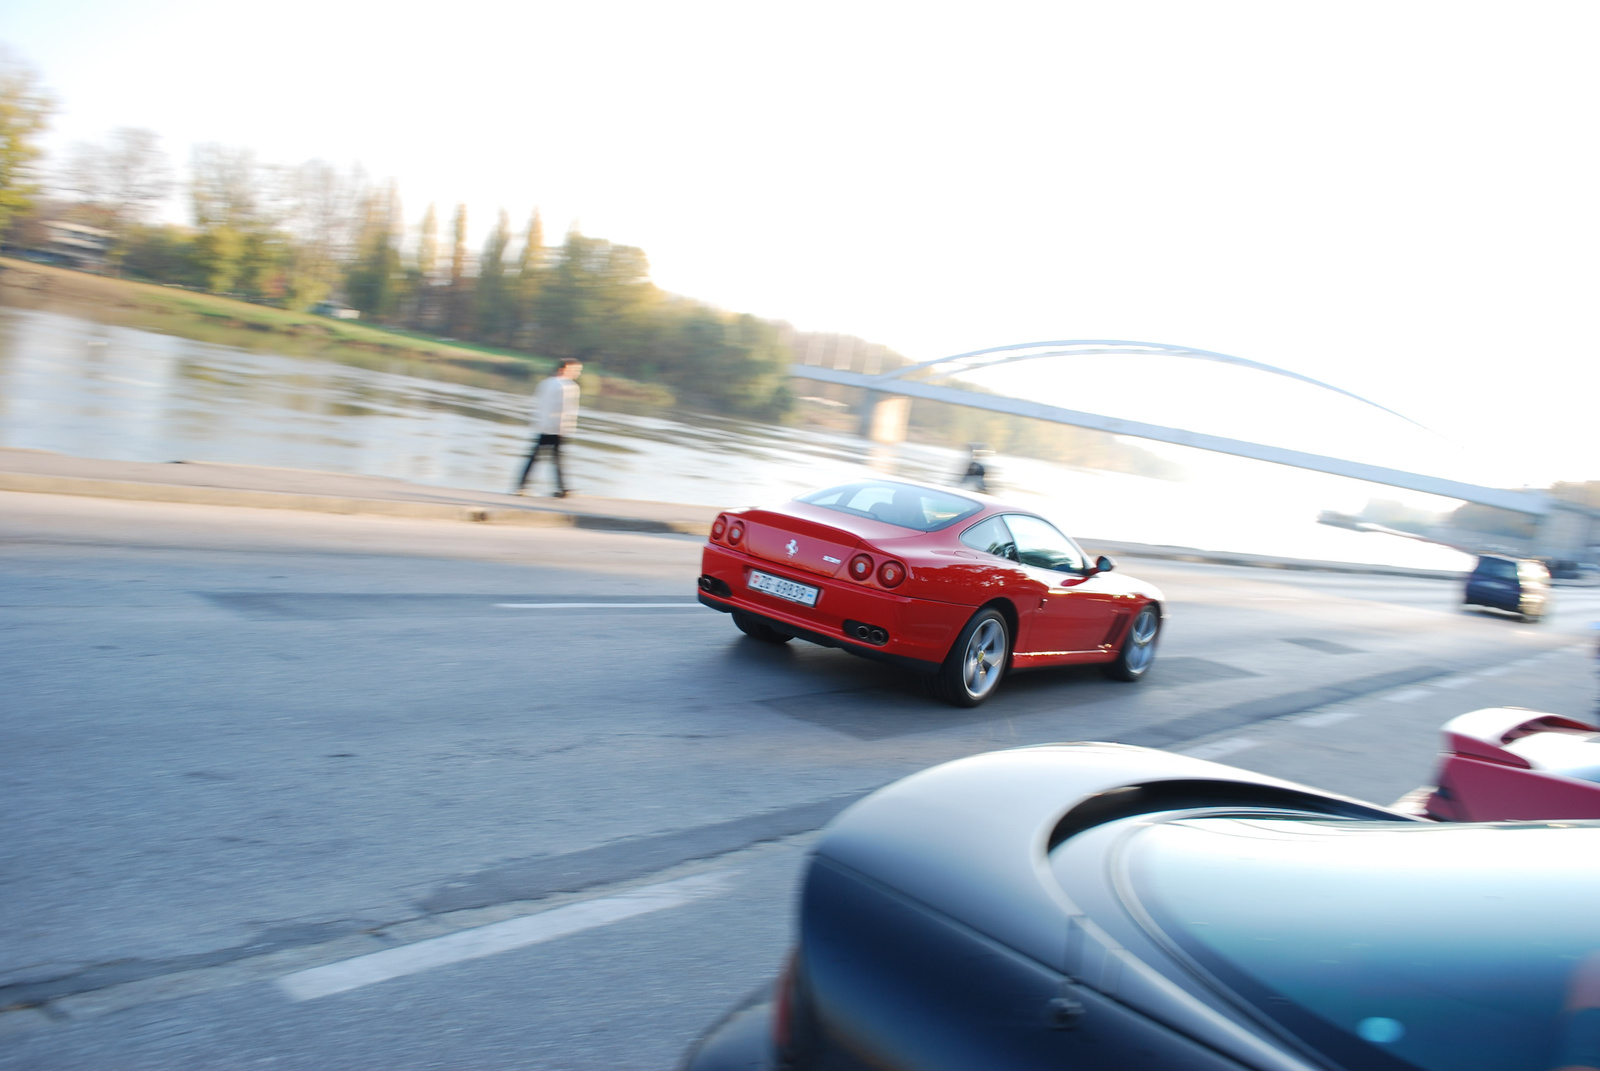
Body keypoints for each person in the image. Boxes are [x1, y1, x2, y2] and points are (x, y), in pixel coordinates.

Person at [512, 358, 582, 497]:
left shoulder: (545, 383)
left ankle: (522, 486)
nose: (577, 373)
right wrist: (565, 429)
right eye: (575, 370)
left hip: (543, 426)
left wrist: (538, 423)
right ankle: (563, 488)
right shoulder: (568, 386)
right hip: (558, 428)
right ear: (564, 369)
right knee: (557, 458)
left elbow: (538, 404)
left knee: (536, 457)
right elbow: (566, 410)